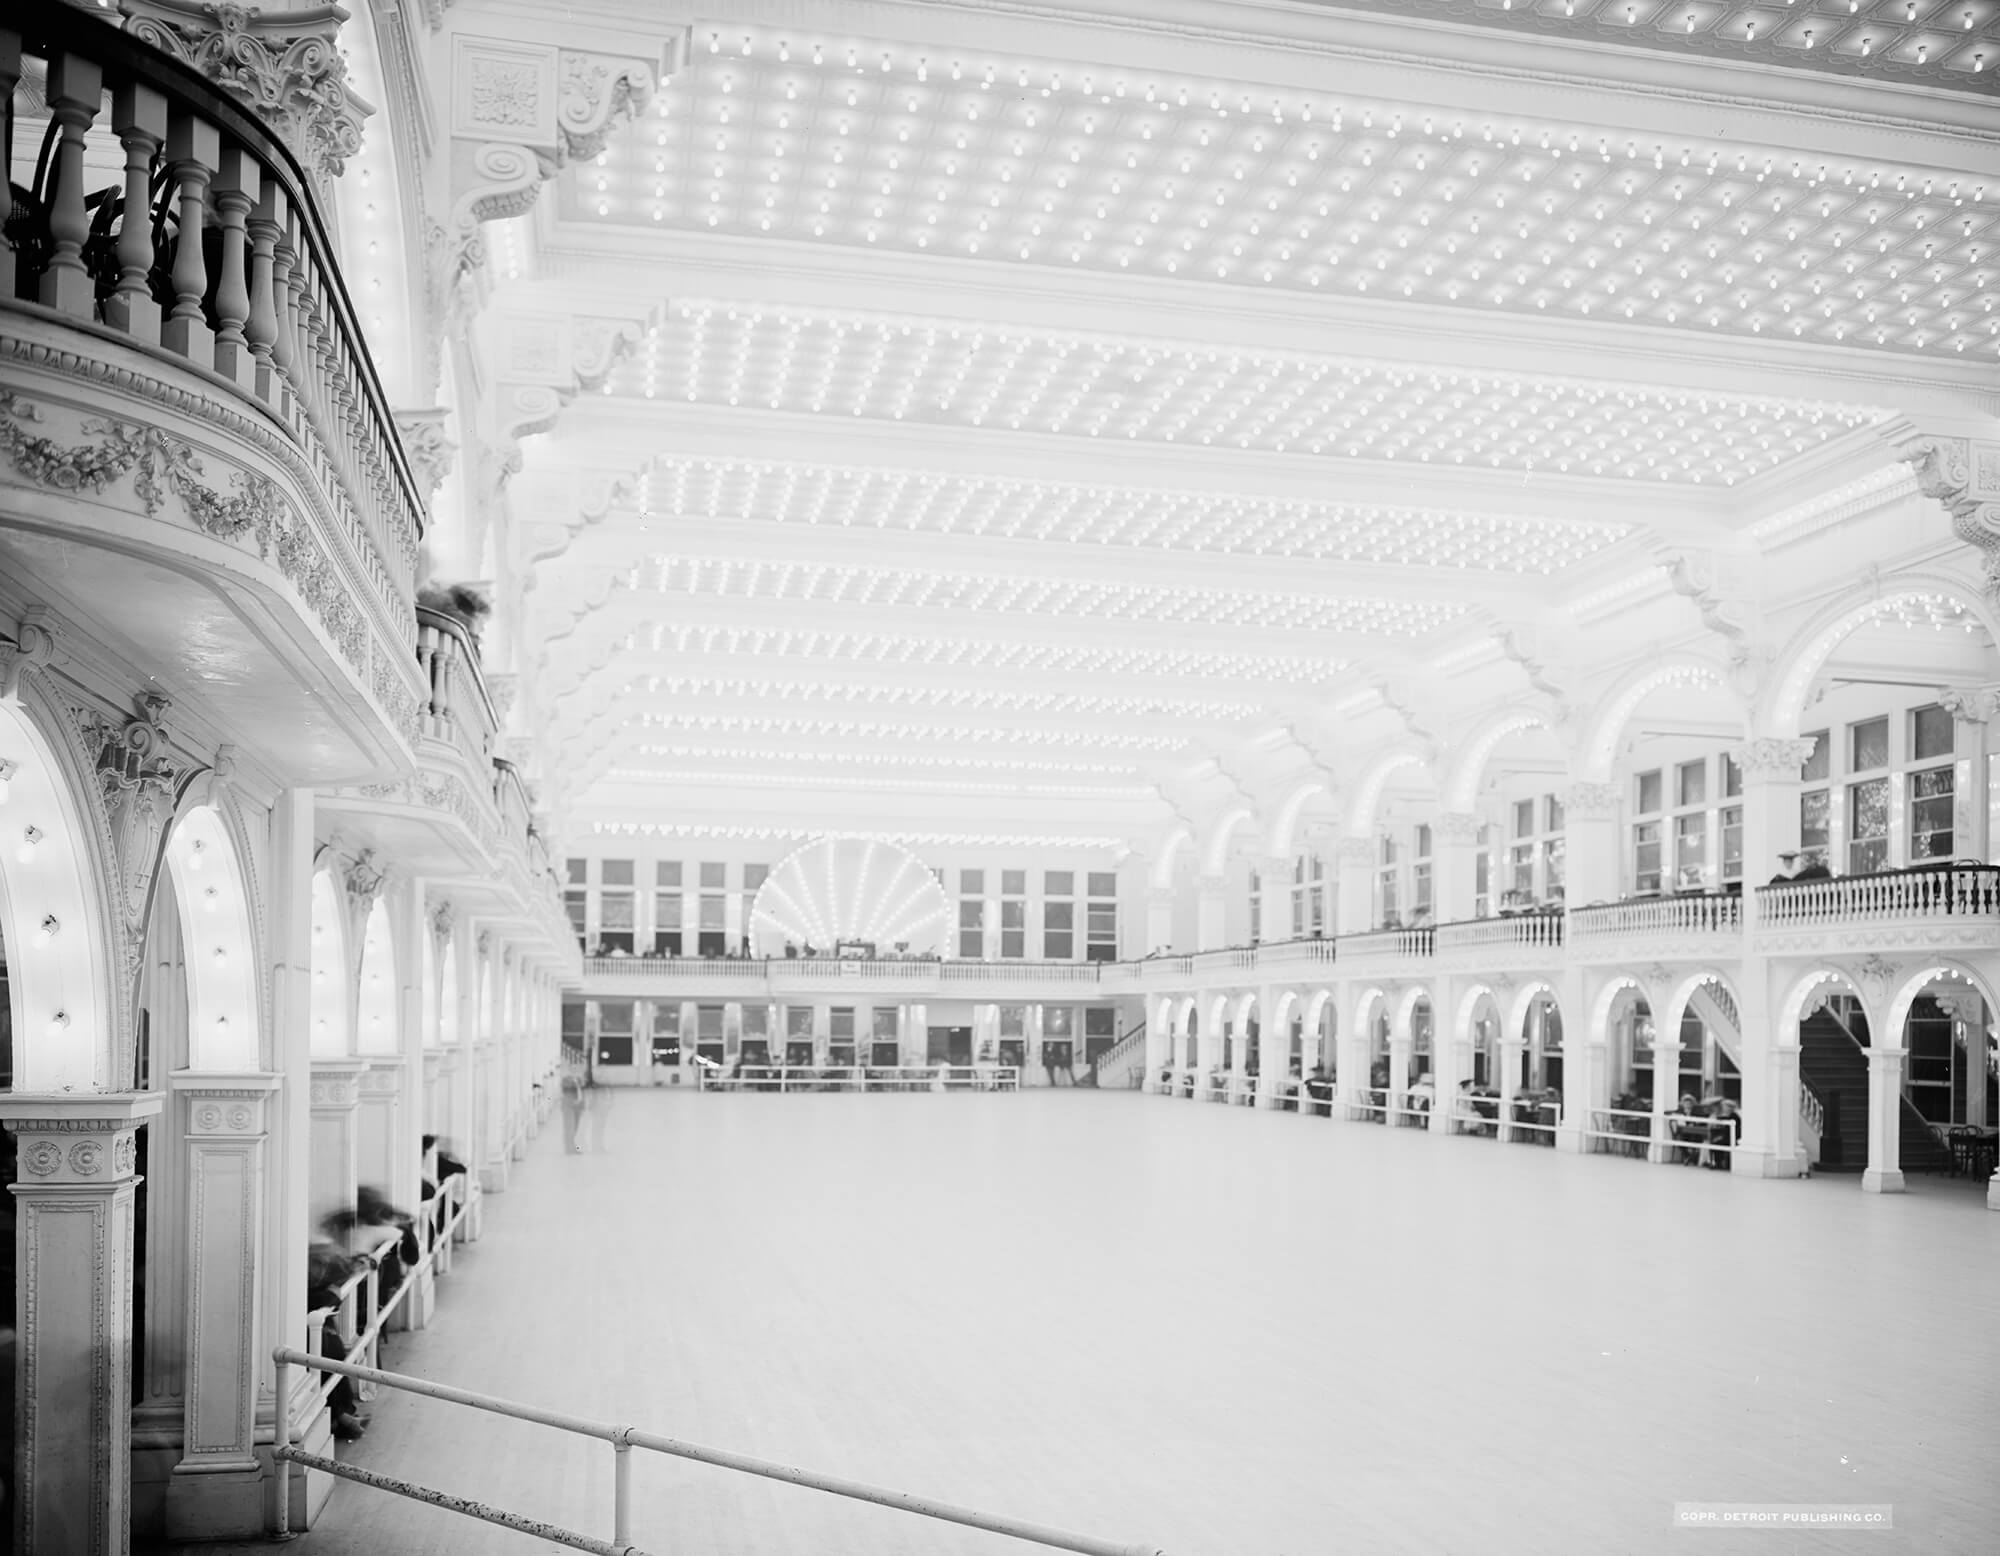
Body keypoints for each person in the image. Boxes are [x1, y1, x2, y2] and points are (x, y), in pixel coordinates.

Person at [559, 1066, 588, 1153]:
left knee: (575, 1128)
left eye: (577, 1069)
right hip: (568, 1107)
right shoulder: (566, 1080)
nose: (575, 1071)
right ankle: (569, 1149)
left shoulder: (579, 1080)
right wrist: (575, 1082)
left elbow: (582, 1093)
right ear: (570, 1070)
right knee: (569, 1128)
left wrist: (583, 1106)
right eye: (573, 1069)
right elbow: (566, 1090)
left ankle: (573, 1147)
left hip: (578, 1107)